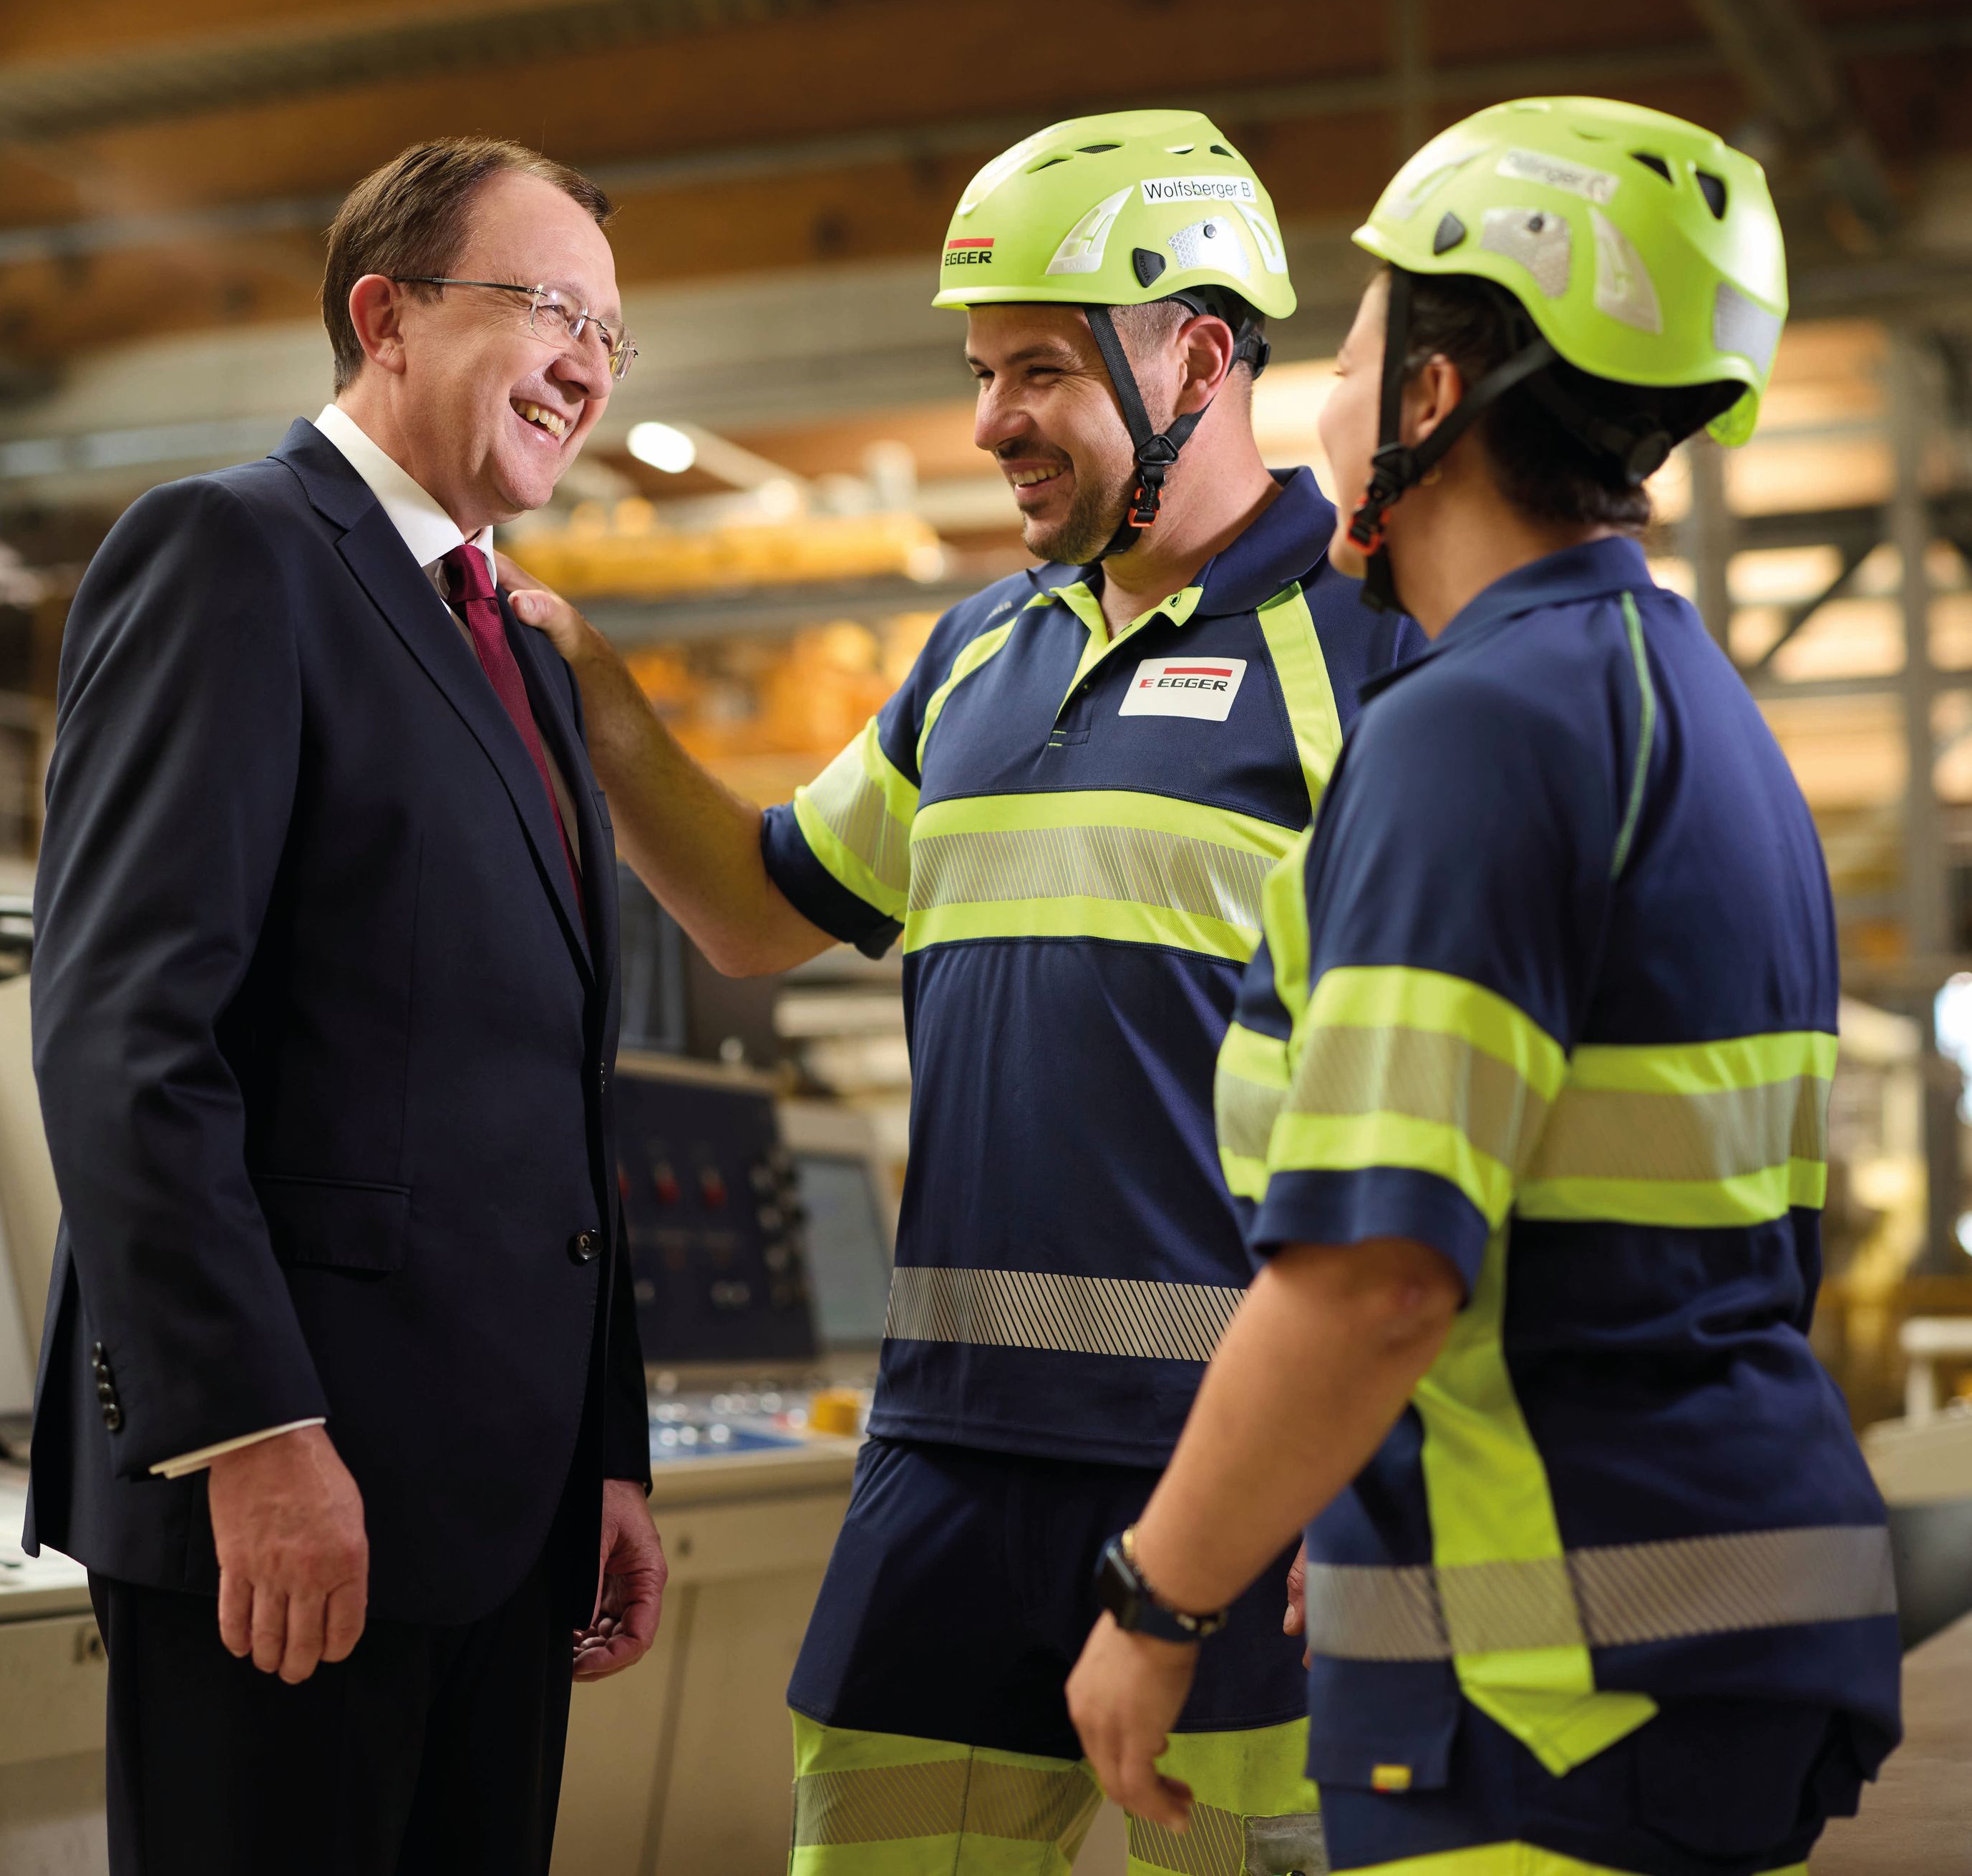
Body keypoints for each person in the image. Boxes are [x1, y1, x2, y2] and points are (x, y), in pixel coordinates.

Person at [506, 109, 1409, 1874]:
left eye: (1037, 372)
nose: (988, 421)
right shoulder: (976, 656)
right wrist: (595, 695)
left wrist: (1383, 1472)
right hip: (945, 1467)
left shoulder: (1371, 667)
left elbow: (1441, 1122)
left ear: (1197, 356)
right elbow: (766, 909)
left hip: (1230, 1479)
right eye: (980, 370)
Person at [1066, 97, 1901, 1876]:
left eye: (1360, 340)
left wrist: (1155, 1595)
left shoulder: (1472, 733)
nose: (1326, 390)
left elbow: (1375, 1271)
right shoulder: (1693, 715)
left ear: (1434, 395)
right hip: (1708, 1631)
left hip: (1541, 1684)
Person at [24, 137, 665, 1876]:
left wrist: (607, 1452)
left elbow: (556, 1095)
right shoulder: (229, 554)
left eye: (612, 332)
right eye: (547, 306)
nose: (589, 364)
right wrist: (252, 1434)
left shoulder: (516, 647)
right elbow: (127, 1036)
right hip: (296, 1497)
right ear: (383, 314)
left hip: (503, 1513)